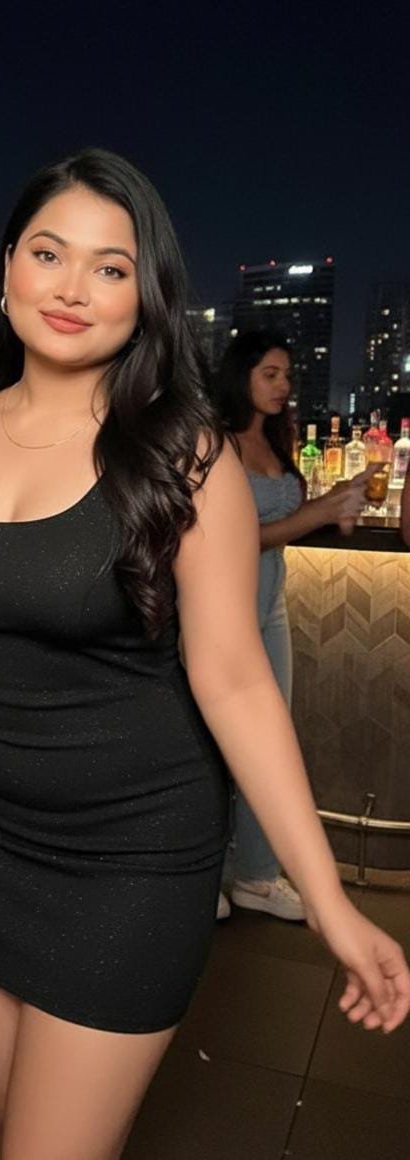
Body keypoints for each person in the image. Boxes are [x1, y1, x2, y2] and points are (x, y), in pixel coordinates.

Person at [0, 151, 410, 1160]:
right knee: (8, 1120)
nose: (73, 287)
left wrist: (329, 902)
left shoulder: (186, 456)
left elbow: (237, 681)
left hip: (132, 857)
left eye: (111, 267)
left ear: (147, 295)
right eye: (49, 253)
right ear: (7, 264)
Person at [213, 332, 371, 922]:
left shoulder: (276, 440)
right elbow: (224, 539)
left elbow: (286, 522)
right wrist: (316, 513)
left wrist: (340, 502)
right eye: (270, 374)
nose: (283, 385)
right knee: (211, 750)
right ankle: (204, 875)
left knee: (269, 745)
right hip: (217, 612)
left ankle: (255, 876)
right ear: (242, 376)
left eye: (287, 375)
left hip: (269, 608)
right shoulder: (213, 443)